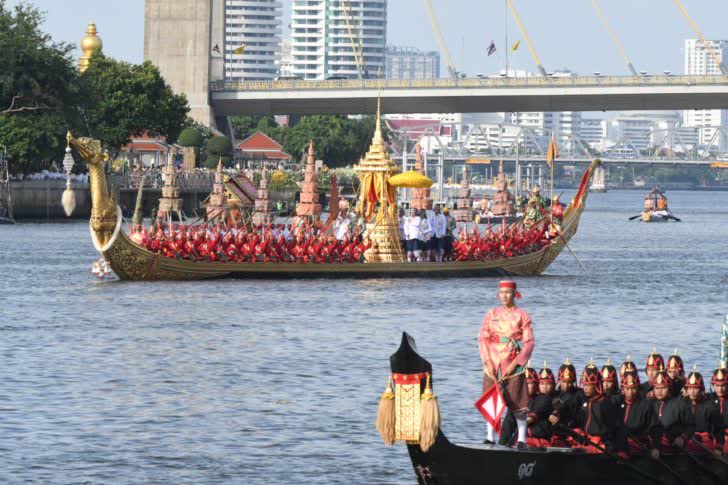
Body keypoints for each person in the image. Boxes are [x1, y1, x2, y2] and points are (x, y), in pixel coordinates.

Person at [478, 280, 535, 448]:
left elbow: (529, 342)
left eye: (508, 292)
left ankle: (522, 439)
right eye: (502, 292)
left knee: (518, 400)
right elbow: (483, 338)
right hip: (493, 360)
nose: (504, 296)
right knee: (491, 398)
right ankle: (489, 437)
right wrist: (487, 361)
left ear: (515, 294)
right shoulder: (491, 313)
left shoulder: (522, 315)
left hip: (513, 361)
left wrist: (518, 362)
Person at [569, 363, 618, 453]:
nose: (585, 389)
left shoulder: (606, 404)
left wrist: (607, 446)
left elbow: (613, 430)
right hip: (588, 441)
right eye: (584, 385)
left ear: (596, 385)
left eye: (588, 385)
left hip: (601, 445)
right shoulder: (588, 402)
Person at [615, 370, 660, 457]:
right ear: (623, 389)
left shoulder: (646, 405)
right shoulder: (616, 402)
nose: (630, 392)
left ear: (638, 388)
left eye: (633, 388)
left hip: (638, 446)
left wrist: (656, 448)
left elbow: (656, 428)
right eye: (627, 388)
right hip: (617, 445)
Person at [649, 370, 695, 453]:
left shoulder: (679, 404)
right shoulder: (649, 404)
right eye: (657, 388)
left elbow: (691, 426)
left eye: (663, 388)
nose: (659, 391)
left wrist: (683, 438)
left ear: (669, 388)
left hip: (673, 448)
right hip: (651, 448)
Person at [684, 369, 725, 455]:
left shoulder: (710, 406)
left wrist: (718, 447)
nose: (692, 392)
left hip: (704, 444)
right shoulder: (680, 404)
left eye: (695, 388)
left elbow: (718, 429)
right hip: (686, 441)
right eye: (690, 388)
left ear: (701, 389)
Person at [499, 366, 539, 447]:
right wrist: (501, 445)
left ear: (536, 384)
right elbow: (507, 426)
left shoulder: (541, 400)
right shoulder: (515, 405)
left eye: (529, 383)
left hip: (537, 441)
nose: (525, 386)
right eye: (523, 384)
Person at [708, 364, 728, 455]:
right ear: (713, 385)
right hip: (711, 437)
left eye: (723, 386)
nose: (720, 389)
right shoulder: (707, 398)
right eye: (717, 385)